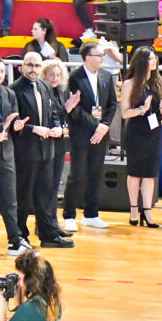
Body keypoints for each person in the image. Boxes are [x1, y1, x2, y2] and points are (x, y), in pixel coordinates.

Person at [12, 53, 74, 248]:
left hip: (46, 150)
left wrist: (56, 126)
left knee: (46, 194)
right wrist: (32, 129)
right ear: (22, 67)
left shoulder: (45, 86)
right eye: (29, 65)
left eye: (37, 66)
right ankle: (20, 235)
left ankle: (48, 234)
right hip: (26, 152)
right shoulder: (14, 90)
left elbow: (54, 112)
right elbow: (12, 122)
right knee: (23, 196)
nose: (33, 69)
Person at [63, 41, 117, 230]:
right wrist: (96, 125)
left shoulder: (106, 76)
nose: (102, 58)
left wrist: (104, 125)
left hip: (100, 133)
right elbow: (74, 108)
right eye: (99, 55)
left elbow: (112, 104)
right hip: (81, 132)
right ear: (87, 58)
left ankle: (91, 213)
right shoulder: (74, 77)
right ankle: (69, 215)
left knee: (95, 173)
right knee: (77, 174)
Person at [0, 57, 29, 254]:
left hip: (7, 152)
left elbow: (14, 122)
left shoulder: (10, 93)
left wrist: (17, 127)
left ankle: (14, 239)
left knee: (10, 198)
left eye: (1, 71)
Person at [120, 46, 162, 227]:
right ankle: (134, 208)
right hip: (136, 132)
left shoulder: (159, 83)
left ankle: (147, 211)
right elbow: (124, 113)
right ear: (141, 62)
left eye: (155, 58)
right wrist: (142, 109)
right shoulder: (130, 84)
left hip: (154, 132)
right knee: (134, 173)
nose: (154, 61)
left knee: (149, 174)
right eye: (150, 58)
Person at [40, 60, 73, 229]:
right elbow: (51, 115)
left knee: (55, 185)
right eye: (51, 74)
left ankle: (53, 222)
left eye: (58, 75)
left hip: (60, 143)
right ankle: (44, 223)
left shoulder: (62, 91)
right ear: (44, 75)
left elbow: (62, 118)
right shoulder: (41, 91)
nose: (54, 78)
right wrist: (66, 108)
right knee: (45, 186)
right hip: (46, 143)